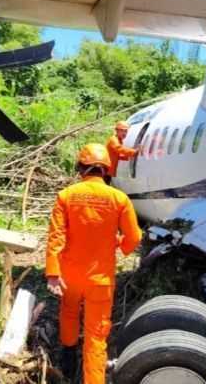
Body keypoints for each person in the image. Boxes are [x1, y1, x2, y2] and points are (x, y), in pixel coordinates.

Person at [45, 143, 143, 384]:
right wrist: (120, 246)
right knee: (96, 336)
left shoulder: (66, 195)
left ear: (81, 168)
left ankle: (68, 360)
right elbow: (135, 238)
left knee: (69, 313)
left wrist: (53, 273)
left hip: (70, 275)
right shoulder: (118, 198)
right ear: (106, 170)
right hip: (100, 279)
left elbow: (56, 237)